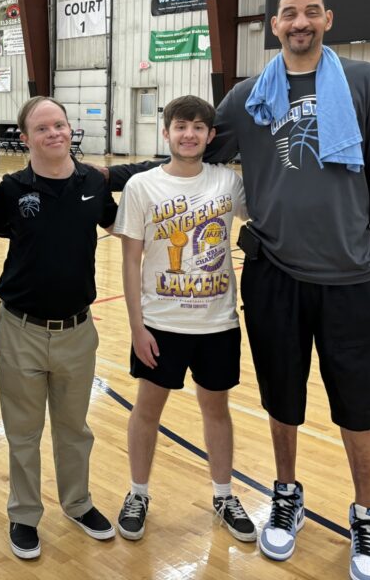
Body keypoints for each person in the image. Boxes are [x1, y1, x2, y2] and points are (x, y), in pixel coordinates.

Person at [113, 0, 370, 580]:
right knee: (283, 396)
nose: (299, 23)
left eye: (310, 13)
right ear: (273, 27)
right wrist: (108, 177)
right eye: (288, 15)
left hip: (356, 276)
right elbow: (194, 146)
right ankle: (285, 495)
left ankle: (365, 515)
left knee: (359, 406)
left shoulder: (364, 81)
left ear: (328, 19)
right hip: (275, 273)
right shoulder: (249, 95)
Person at [0, 96, 118, 560]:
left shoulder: (93, 183)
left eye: (59, 124)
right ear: (26, 137)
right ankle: (24, 514)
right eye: (42, 128)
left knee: (74, 428)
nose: (54, 133)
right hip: (21, 329)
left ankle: (77, 503)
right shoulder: (13, 189)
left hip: (79, 330)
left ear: (69, 128)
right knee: (23, 431)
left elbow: (120, 224)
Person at [112, 94, 255, 546]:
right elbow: (130, 263)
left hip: (218, 324)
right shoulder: (141, 187)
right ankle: (138, 493)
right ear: (166, 132)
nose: (189, 134)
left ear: (211, 136)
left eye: (198, 127)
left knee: (217, 410)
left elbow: (269, 212)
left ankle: (224, 494)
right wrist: (137, 327)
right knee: (147, 410)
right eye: (180, 126)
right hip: (160, 324)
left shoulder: (228, 184)